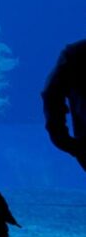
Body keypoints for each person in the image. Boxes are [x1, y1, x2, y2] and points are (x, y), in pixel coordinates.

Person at [42, 39, 86, 173]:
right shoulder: (75, 53)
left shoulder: (76, 53)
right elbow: (51, 95)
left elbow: (51, 94)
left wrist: (65, 142)